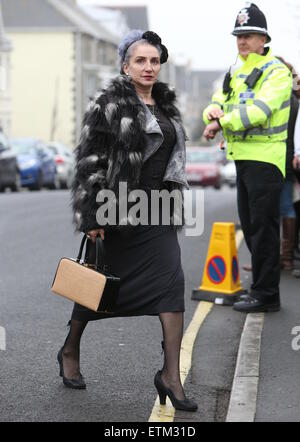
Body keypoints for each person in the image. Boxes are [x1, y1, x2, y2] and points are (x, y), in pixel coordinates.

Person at [57, 30, 197, 412]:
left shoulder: (167, 107)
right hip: (117, 211)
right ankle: (69, 349)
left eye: (154, 60)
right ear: (125, 65)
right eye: (140, 60)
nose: (148, 67)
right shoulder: (108, 104)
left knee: (173, 283)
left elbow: (173, 158)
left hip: (158, 211)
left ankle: (170, 376)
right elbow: (89, 161)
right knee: (96, 290)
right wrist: (91, 216)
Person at [203, 3, 293, 313]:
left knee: (263, 228)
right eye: (239, 35)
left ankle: (266, 295)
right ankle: (261, 289)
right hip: (242, 158)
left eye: (249, 35)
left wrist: (221, 121)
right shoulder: (234, 70)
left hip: (266, 159)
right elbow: (216, 102)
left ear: (264, 39)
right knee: (252, 226)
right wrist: (211, 114)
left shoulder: (276, 72)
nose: (242, 41)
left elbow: (259, 112)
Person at [276, 58, 300, 271]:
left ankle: (283, 258)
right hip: (287, 158)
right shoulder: (294, 99)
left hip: (281, 159)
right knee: (285, 206)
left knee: (282, 207)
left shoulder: (287, 100)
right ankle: (285, 258)